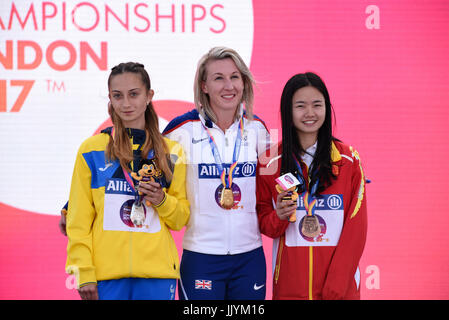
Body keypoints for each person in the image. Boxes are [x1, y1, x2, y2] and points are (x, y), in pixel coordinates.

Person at [65, 62, 190, 300]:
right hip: (106, 277)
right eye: (117, 96)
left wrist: (162, 200)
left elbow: (180, 218)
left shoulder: (171, 152)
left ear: (148, 96)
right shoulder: (91, 150)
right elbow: (78, 220)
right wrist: (83, 271)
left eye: (134, 94)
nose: (126, 103)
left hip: (157, 275)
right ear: (110, 100)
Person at [162, 47, 271, 300]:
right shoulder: (181, 130)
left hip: (249, 257)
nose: (228, 85)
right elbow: (141, 170)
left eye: (235, 76)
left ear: (244, 82)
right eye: (218, 78)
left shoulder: (259, 130)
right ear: (204, 86)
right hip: (201, 256)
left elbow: (277, 184)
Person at [256, 72, 367, 300]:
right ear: (288, 110)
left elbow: (356, 229)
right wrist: (279, 216)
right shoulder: (270, 161)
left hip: (340, 291)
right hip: (289, 290)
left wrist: (336, 286)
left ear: (327, 107)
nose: (310, 113)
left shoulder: (348, 160)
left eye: (317, 105)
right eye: (300, 106)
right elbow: (265, 224)